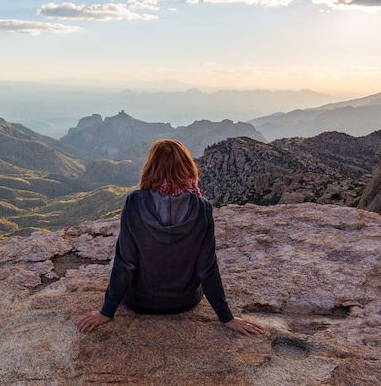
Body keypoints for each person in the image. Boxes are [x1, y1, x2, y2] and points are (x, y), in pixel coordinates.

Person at [76, 139, 264, 336]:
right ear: (187, 167)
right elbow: (206, 268)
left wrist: (106, 311)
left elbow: (126, 263)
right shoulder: (202, 207)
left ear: (150, 167)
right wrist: (227, 317)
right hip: (184, 301)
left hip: (139, 301)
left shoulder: (134, 202)